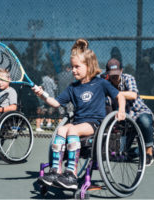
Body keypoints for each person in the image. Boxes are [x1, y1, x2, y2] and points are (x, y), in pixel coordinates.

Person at [33, 38, 126, 189]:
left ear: (89, 66)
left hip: (95, 125)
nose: (73, 70)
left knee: (71, 129)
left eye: (77, 66)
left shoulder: (101, 83)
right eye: (72, 67)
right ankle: (56, 170)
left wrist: (121, 110)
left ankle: (72, 174)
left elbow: (120, 96)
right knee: (62, 129)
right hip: (77, 125)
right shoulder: (73, 87)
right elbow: (56, 103)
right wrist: (42, 94)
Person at [103, 58, 154, 166]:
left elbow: (133, 94)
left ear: (121, 70)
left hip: (139, 113)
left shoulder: (128, 78)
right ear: (107, 73)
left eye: (117, 73)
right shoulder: (105, 84)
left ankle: (148, 153)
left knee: (144, 121)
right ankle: (144, 149)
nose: (115, 76)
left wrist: (115, 93)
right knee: (119, 154)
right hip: (125, 123)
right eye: (112, 74)